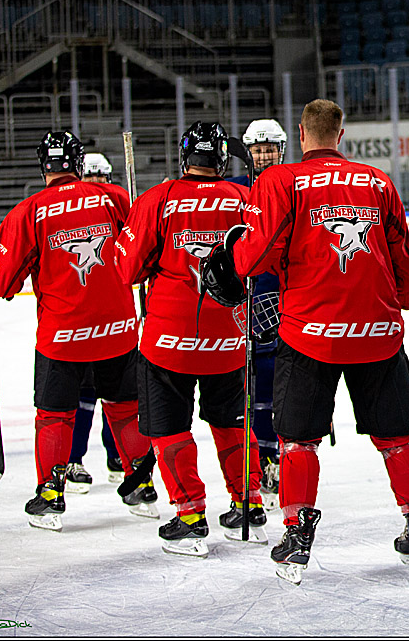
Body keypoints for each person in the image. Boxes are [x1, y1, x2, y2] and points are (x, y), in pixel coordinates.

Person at [201, 99, 409, 583]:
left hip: (310, 332)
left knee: (297, 440)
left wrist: (231, 254)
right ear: (341, 134)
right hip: (379, 330)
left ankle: (297, 535)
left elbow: (256, 256)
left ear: (301, 133)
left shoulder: (279, 181)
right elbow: (402, 254)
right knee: (398, 436)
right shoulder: (379, 181)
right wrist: (399, 302)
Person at [0, 132, 155, 531]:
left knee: (54, 414)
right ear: (78, 162)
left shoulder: (29, 211)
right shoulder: (114, 198)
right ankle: (141, 484)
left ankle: (51, 494)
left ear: (43, 166)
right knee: (124, 407)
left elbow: (2, 284)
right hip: (119, 330)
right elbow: (143, 251)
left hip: (63, 336)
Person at [113, 121, 265, 557]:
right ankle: (249, 505)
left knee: (169, 429)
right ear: (222, 157)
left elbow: (128, 271)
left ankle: (190, 515)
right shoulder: (242, 199)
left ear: (185, 156)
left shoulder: (157, 200)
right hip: (229, 338)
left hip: (169, 339)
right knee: (233, 423)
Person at [227, 119, 288, 511]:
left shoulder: (293, 184)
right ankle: (260, 457)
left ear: (282, 150)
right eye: (259, 149)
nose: (264, 155)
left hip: (286, 296)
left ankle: (279, 455)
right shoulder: (236, 192)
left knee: (281, 380)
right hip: (245, 298)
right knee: (250, 386)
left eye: (271, 148)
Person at [62, 153, 124, 493]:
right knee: (84, 393)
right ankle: (74, 459)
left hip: (115, 319)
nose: (98, 184)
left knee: (118, 395)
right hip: (81, 321)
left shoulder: (117, 209)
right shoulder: (71, 216)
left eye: (103, 178)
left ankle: (118, 457)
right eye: (92, 178)